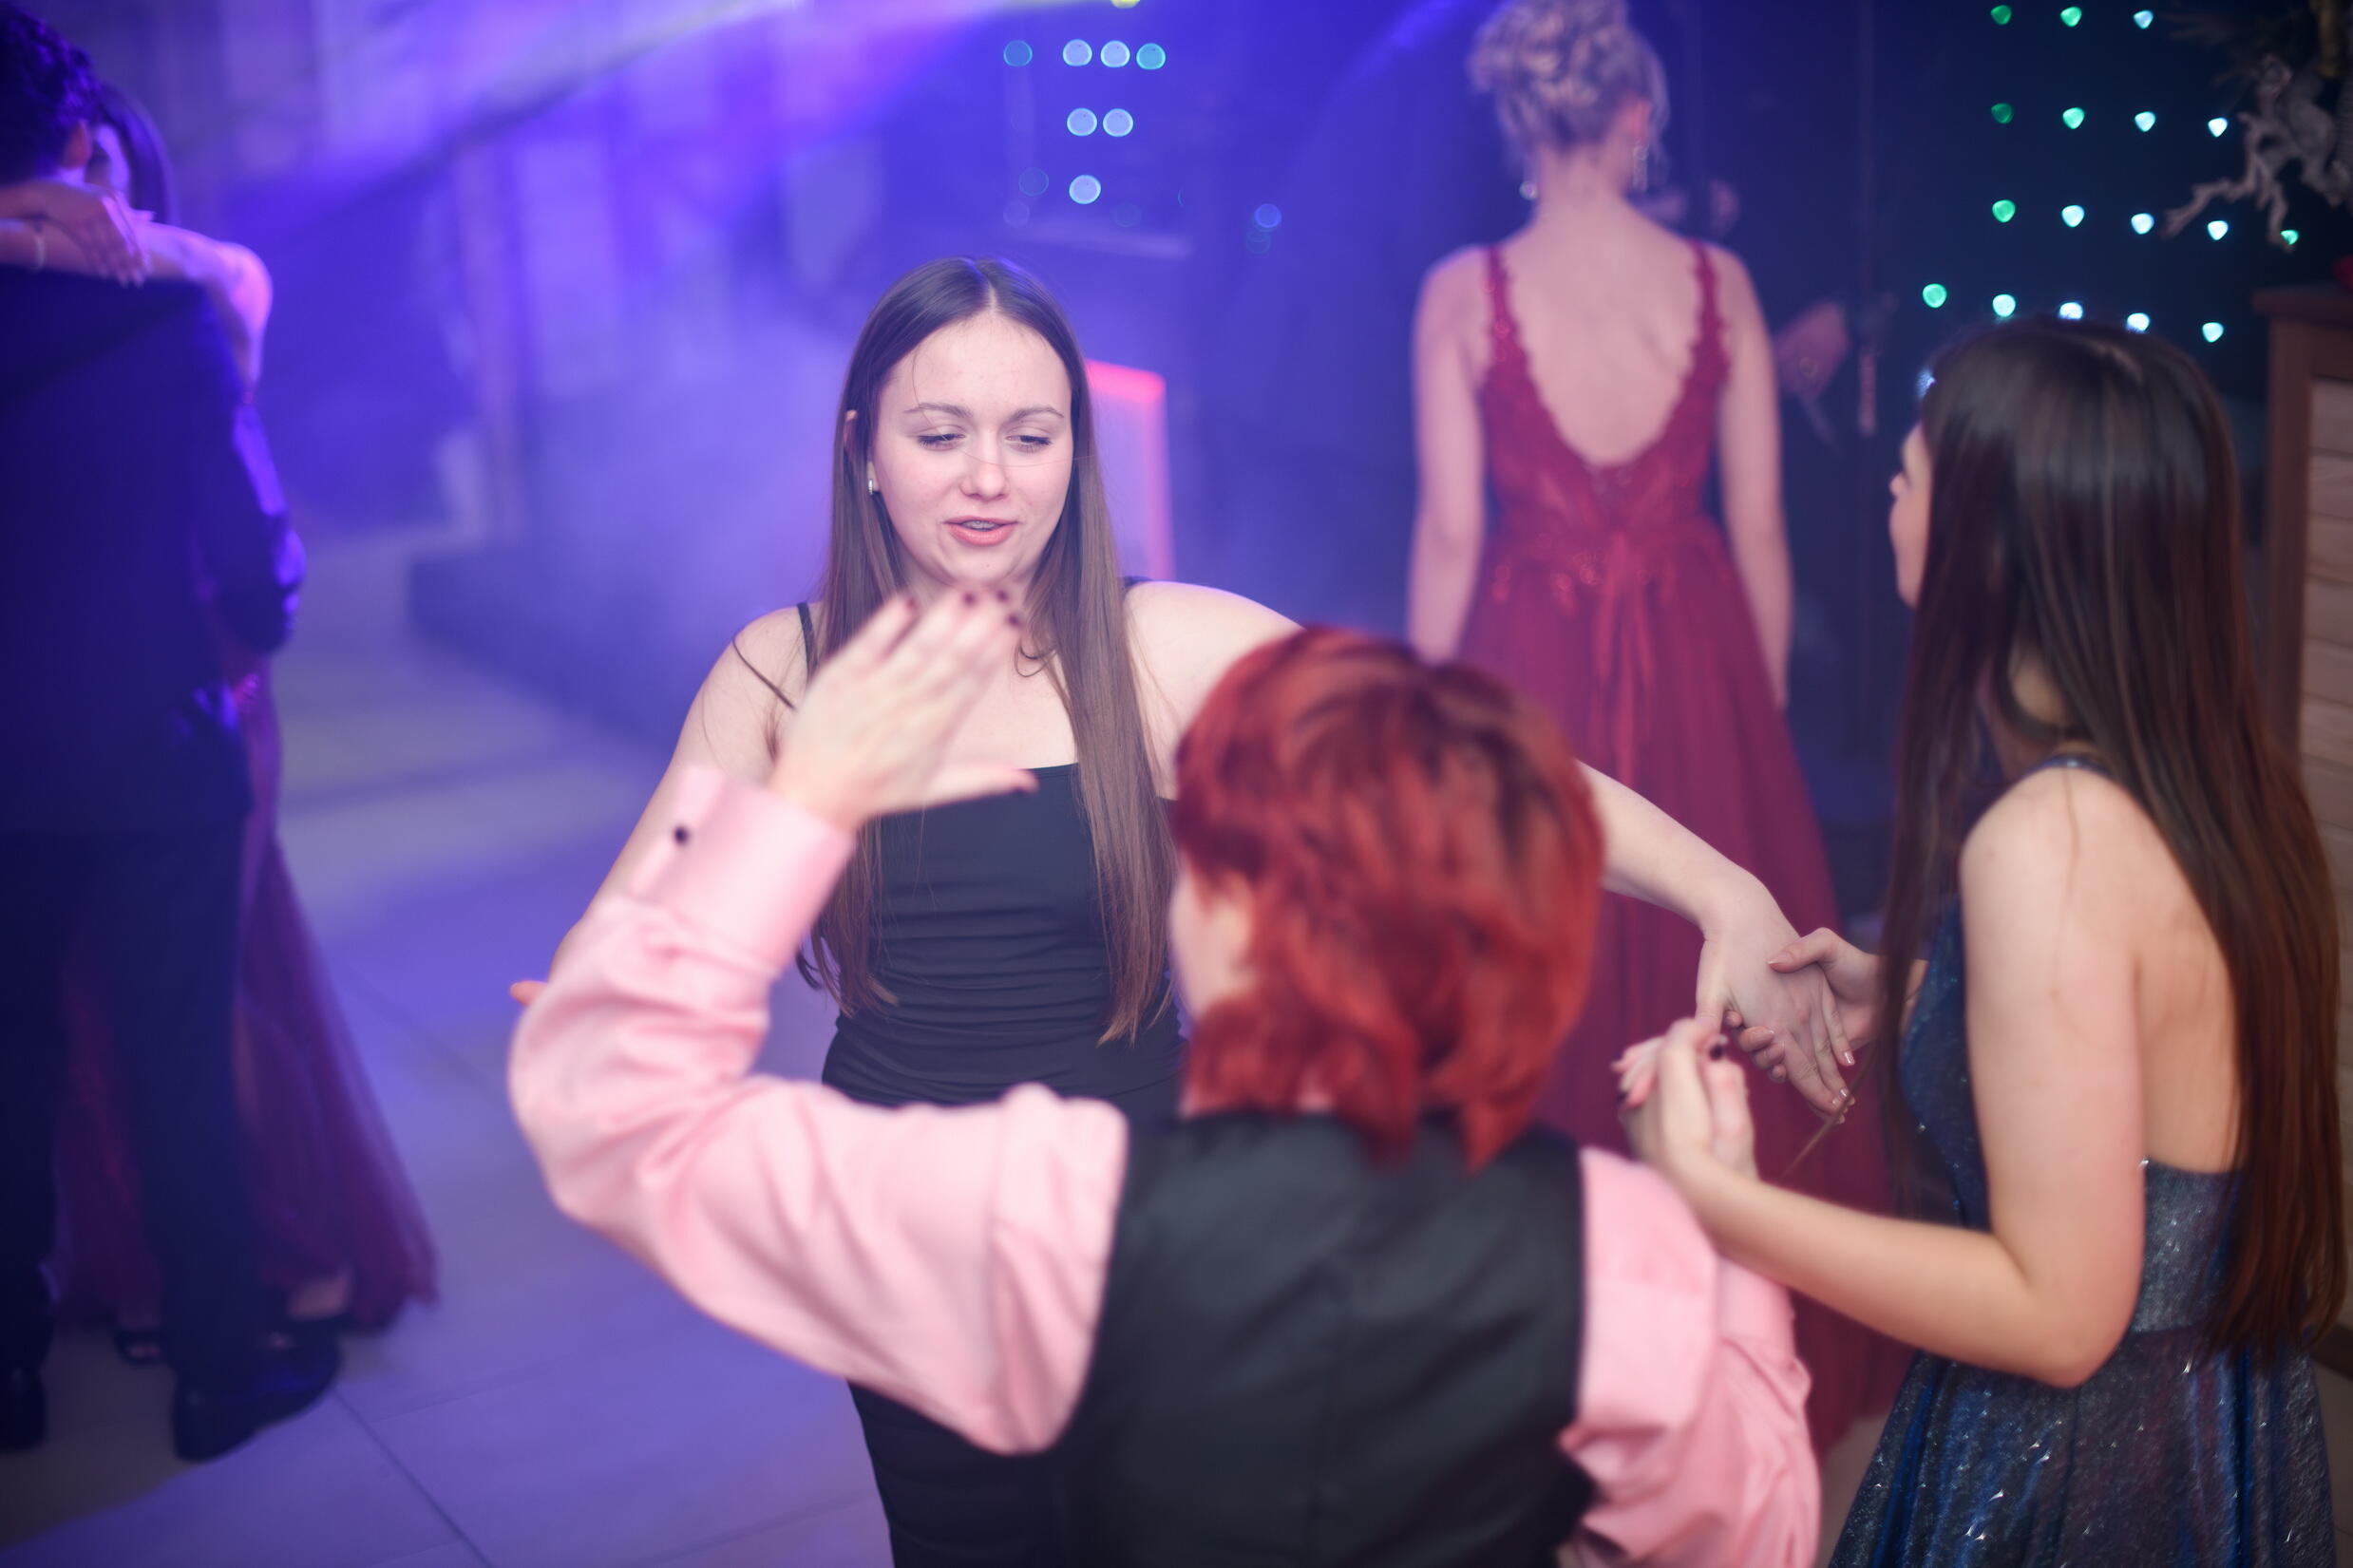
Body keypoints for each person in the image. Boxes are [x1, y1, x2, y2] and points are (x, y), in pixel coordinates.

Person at [526, 253, 1853, 1564]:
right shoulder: (783, 671)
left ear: (1077, 451)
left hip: (1144, 1203)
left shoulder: (1153, 643)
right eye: (940, 435)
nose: (990, 477)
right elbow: (627, 938)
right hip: (904, 1218)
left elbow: (1465, 770)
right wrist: (637, 962)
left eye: (1031, 436)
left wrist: (1720, 890)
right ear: (863, 450)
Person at [1625, 317, 2342, 1564]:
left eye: (1909, 476)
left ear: (1993, 547)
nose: (1890, 496)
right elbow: (2155, 1037)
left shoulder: (2044, 845)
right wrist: (1925, 991)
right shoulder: (2215, 781)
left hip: (2081, 1464)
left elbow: (2058, 1316)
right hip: (2214, 1407)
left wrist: (1715, 1202)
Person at [1405, 0, 1905, 1449]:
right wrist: (1748, 718)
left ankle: (1551, 1343)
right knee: (1730, 976)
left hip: (1527, 658)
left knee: (1532, 978)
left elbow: (1450, 535)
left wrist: (1413, 740)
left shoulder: (1462, 292)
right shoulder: (1718, 281)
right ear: (1641, 117)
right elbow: (1759, 525)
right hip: (1696, 652)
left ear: (1518, 124)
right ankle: (1734, 1343)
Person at [0, 81, 437, 1364]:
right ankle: (154, 1278)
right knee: (101, 1013)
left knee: (210, 999)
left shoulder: (197, 282)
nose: (91, 211)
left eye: (109, 180)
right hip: (121, 692)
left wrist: (43, 222)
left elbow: (222, 288)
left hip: (210, 679)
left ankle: (288, 1254)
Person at [0, 4, 335, 1460]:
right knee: (176, 1066)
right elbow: (260, 564)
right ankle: (215, 1371)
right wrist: (241, 634)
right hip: (153, 743)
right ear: (79, 142)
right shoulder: (163, 312)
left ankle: (8, 1379)